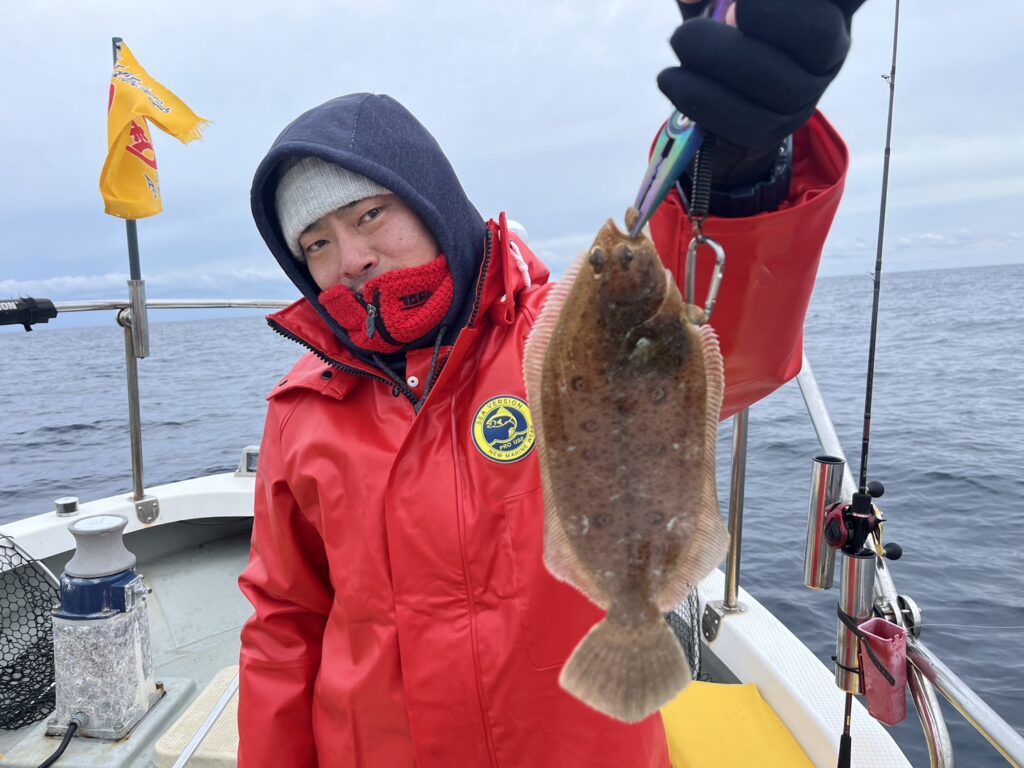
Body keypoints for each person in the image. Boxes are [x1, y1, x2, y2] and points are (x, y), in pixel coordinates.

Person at [238, 1, 866, 765]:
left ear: (433, 201)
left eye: (370, 214)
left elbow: (731, 348)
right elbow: (284, 623)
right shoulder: (301, 407)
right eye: (315, 244)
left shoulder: (553, 330)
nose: (352, 259)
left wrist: (737, 175)